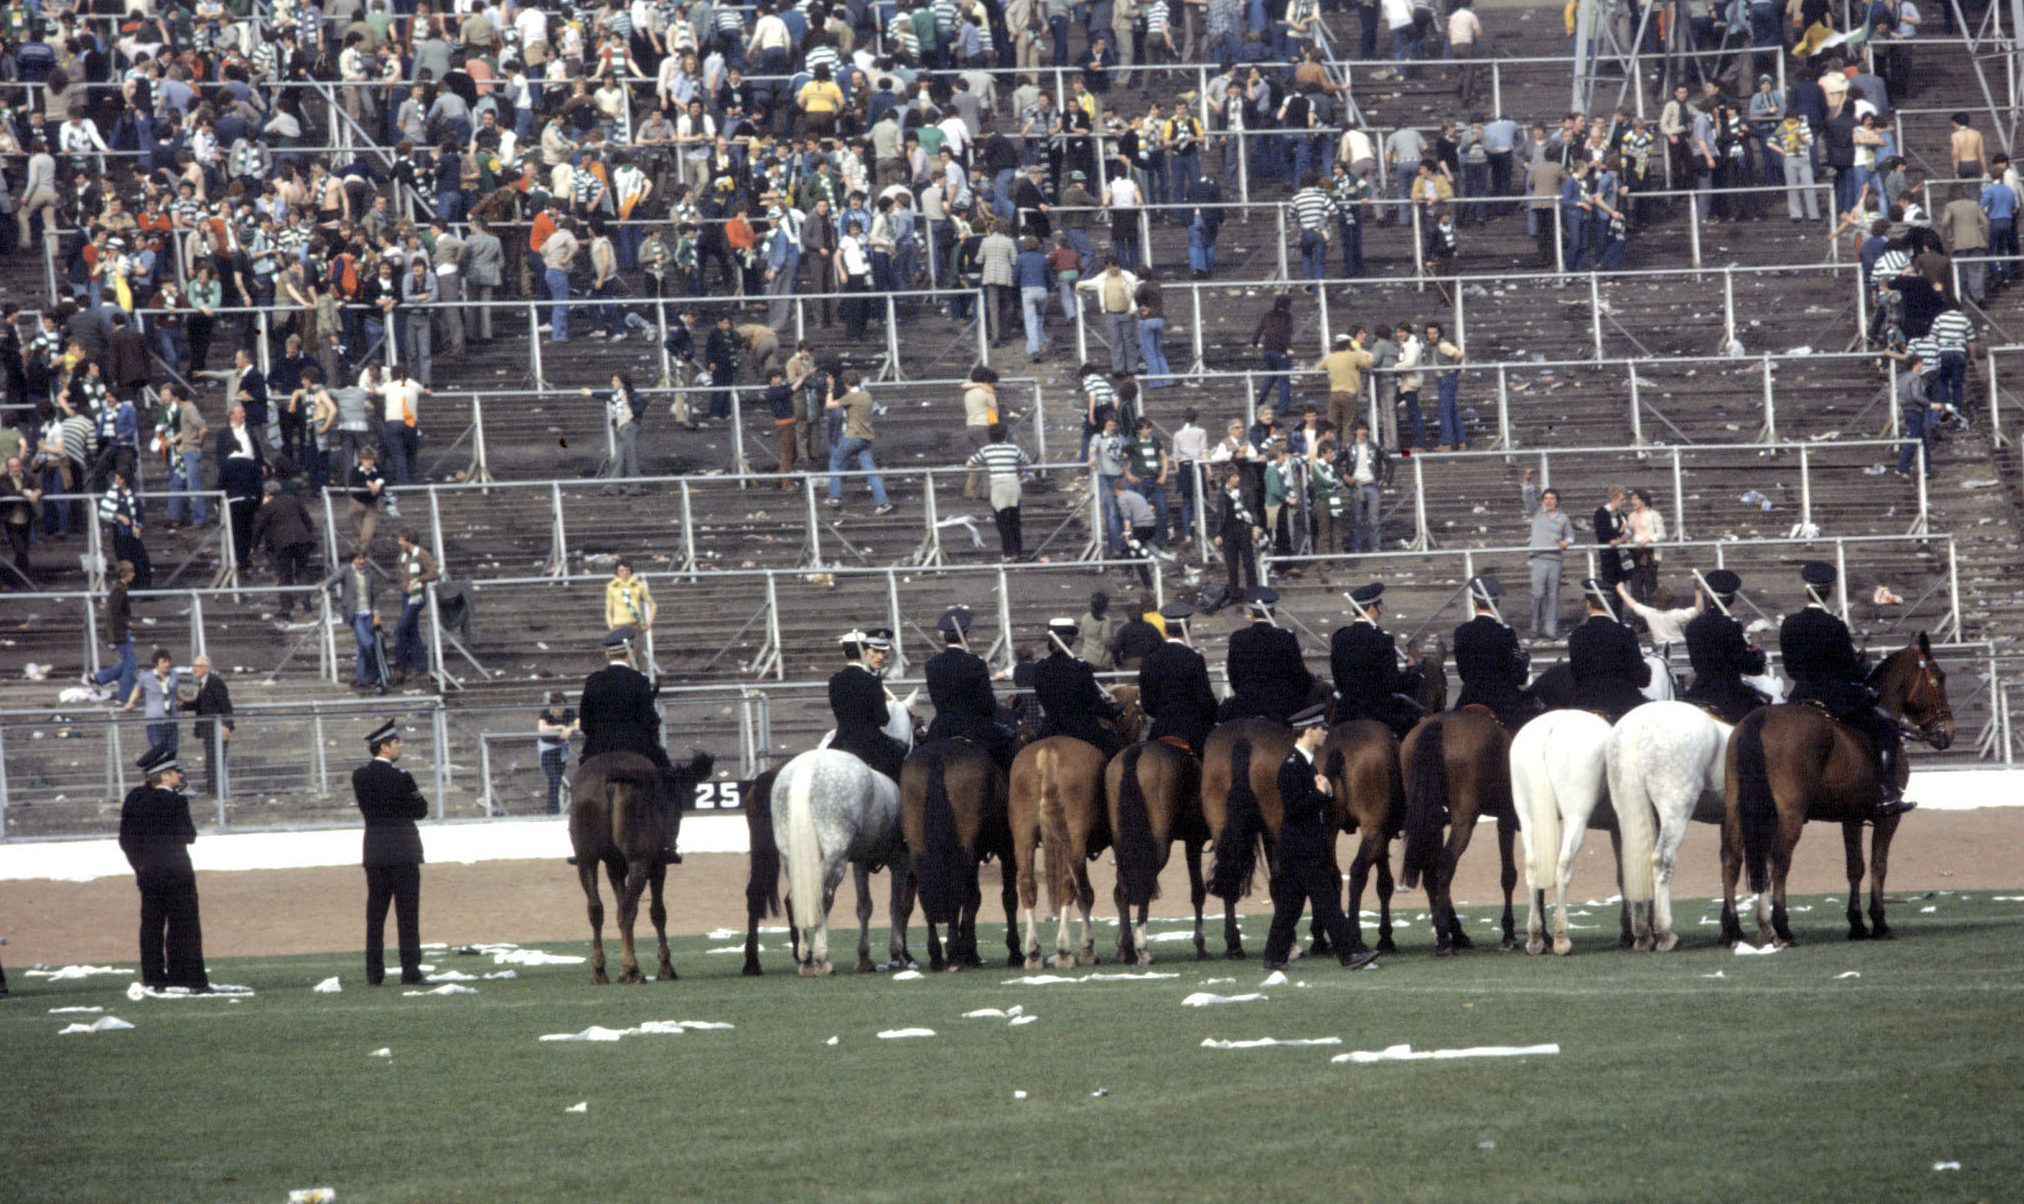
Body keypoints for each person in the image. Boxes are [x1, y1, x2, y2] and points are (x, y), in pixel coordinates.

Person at [1780, 562, 1911, 815]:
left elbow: (1791, 670)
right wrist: (1861, 665)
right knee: (1886, 728)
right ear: (1828, 591)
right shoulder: (1834, 625)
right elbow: (1848, 671)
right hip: (1835, 697)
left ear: (1807, 591)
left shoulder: (1789, 624)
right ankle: (1886, 792)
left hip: (1800, 695)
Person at [1261, 703, 1383, 972]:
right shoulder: (1292, 766)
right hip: (1302, 848)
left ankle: (1273, 957)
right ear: (1308, 731)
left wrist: (1324, 783)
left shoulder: (1305, 764)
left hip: (1299, 848)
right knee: (1328, 902)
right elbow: (1294, 809)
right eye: (1321, 728)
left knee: (1289, 908)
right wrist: (1322, 794)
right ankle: (1349, 954)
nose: (1326, 732)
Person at [119, 745, 212, 992]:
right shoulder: (175, 802)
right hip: (177, 873)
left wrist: (140, 867)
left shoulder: (135, 799)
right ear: (165, 775)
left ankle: (153, 978)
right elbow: (189, 836)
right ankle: (187, 977)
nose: (180, 776)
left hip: (148, 874)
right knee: (184, 926)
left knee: (151, 926)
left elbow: (125, 840)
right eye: (176, 772)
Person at [353, 719, 434, 987]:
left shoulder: (360, 777)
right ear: (385, 747)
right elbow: (420, 810)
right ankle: (410, 970)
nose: (401, 745)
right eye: (397, 742)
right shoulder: (402, 777)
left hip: (375, 851)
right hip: (403, 850)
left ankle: (373, 973)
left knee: (375, 915)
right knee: (407, 915)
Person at [923, 607, 1016, 772]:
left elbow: (936, 699)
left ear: (944, 637)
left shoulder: (932, 664)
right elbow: (987, 703)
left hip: (942, 728)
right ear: (966, 635)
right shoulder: (975, 663)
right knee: (1008, 753)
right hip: (974, 728)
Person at [1330, 583, 1424, 739]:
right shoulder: (1383, 638)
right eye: (1379, 605)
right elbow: (1392, 684)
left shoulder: (1339, 637)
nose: (1381, 609)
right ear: (1372, 608)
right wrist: (1412, 672)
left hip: (1347, 710)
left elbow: (1338, 679)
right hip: (1378, 711)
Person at [1681, 570, 1770, 724]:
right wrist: (1758, 656)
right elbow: (1748, 666)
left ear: (1709, 596)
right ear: (1733, 598)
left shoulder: (1693, 625)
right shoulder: (1731, 626)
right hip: (1728, 694)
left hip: (1698, 691)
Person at [1219, 588, 1319, 723]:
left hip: (1247, 702)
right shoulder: (1286, 636)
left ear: (1251, 613)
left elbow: (1233, 675)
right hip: (1282, 703)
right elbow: (1298, 673)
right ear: (1273, 612)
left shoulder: (1238, 637)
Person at [1452, 576, 1539, 730]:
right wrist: (1523, 660)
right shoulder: (1506, 633)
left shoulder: (1461, 632)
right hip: (1502, 701)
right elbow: (1518, 675)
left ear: (1474, 602)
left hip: (1470, 696)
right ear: (1497, 604)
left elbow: (1463, 673)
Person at [1034, 616, 1125, 756]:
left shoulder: (1040, 668)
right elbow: (1093, 704)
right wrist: (1112, 709)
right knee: (1117, 753)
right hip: (1081, 729)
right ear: (1070, 641)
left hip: (1049, 729)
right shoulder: (1081, 667)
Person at [1137, 602, 1219, 755]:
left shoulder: (1150, 660)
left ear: (1165, 629)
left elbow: (1148, 704)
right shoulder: (1194, 658)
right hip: (1192, 731)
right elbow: (1204, 700)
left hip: (1161, 729)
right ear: (1188, 629)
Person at [829, 627, 909, 784]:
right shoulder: (871, 681)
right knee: (901, 758)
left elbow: (837, 710)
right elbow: (883, 719)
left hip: (841, 741)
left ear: (844, 654)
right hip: (869, 743)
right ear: (865, 651)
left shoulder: (834, 680)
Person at [1565, 580, 1652, 722]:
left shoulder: (1577, 635)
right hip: (1623, 703)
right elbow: (1641, 677)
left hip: (1588, 703)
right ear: (1610, 604)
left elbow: (1576, 674)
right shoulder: (1625, 632)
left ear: (1588, 605)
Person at [967, 423, 1034, 560]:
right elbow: (1027, 461)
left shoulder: (987, 450)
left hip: (998, 486)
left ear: (990, 436)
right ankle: (1018, 553)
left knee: (1002, 523)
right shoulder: (1013, 448)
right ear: (1004, 435)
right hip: (1013, 485)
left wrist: (989, 463)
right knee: (1015, 521)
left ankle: (1008, 554)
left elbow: (970, 463)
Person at [1522, 469, 1573, 641]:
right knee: (1537, 594)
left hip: (1555, 560)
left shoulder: (1563, 518)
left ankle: (1550, 629)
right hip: (1538, 559)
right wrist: (1528, 481)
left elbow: (1570, 536)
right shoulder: (1537, 512)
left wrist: (1567, 542)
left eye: (1552, 498)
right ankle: (1535, 628)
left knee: (1553, 596)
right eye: (1546, 498)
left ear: (1557, 501)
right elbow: (1528, 499)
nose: (1549, 501)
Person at [324, 546, 384, 690]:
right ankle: (372, 673)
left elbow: (375, 595)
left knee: (364, 647)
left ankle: (363, 678)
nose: (362, 561)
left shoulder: (370, 573)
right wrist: (324, 585)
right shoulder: (346, 570)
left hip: (368, 613)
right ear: (353, 559)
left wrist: (376, 613)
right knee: (367, 643)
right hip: (355, 614)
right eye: (359, 558)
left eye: (363, 558)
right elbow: (334, 579)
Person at [391, 530, 439, 687]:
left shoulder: (421, 554)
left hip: (416, 596)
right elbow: (400, 566)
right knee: (411, 630)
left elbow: (434, 572)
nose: (399, 542)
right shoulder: (405, 555)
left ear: (408, 540)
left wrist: (418, 579)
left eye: (401, 539)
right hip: (406, 595)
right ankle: (418, 666)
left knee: (400, 628)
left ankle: (401, 666)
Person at [125, 648, 182, 767]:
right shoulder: (146, 676)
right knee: (158, 749)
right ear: (156, 663)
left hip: (171, 719)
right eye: (163, 662)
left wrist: (183, 701)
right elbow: (137, 689)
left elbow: (175, 690)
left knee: (172, 750)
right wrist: (131, 702)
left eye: (168, 661)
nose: (167, 664)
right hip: (155, 720)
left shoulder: (174, 675)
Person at [187, 656, 234, 797]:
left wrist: (226, 725)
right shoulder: (203, 683)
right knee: (211, 760)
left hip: (217, 727)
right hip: (208, 728)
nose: (196, 668)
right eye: (194, 665)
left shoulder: (215, 682)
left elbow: (225, 705)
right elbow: (199, 704)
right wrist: (182, 704)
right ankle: (212, 790)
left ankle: (215, 792)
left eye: (199, 666)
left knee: (216, 760)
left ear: (207, 668)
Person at [537, 691, 580, 815]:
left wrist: (571, 729)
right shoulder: (545, 713)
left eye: (562, 706)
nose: (559, 709)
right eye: (557, 706)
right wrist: (559, 727)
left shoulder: (569, 712)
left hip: (560, 749)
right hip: (547, 750)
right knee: (554, 778)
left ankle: (557, 807)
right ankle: (552, 811)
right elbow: (541, 728)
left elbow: (579, 723)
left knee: (558, 777)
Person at [604, 558, 657, 640]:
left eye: (627, 570)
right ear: (617, 573)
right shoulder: (612, 587)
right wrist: (612, 627)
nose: (624, 573)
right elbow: (608, 610)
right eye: (621, 571)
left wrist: (648, 624)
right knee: (620, 651)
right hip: (619, 625)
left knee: (636, 651)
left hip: (635, 625)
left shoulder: (638, 585)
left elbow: (653, 605)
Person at [1593, 486, 1630, 592]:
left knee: (1621, 588)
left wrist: (1621, 538)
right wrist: (1620, 534)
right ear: (1613, 499)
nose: (1624, 502)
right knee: (1610, 588)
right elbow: (1603, 532)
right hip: (1608, 558)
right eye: (1622, 499)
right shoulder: (1601, 513)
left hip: (1622, 558)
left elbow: (1627, 533)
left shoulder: (1623, 515)